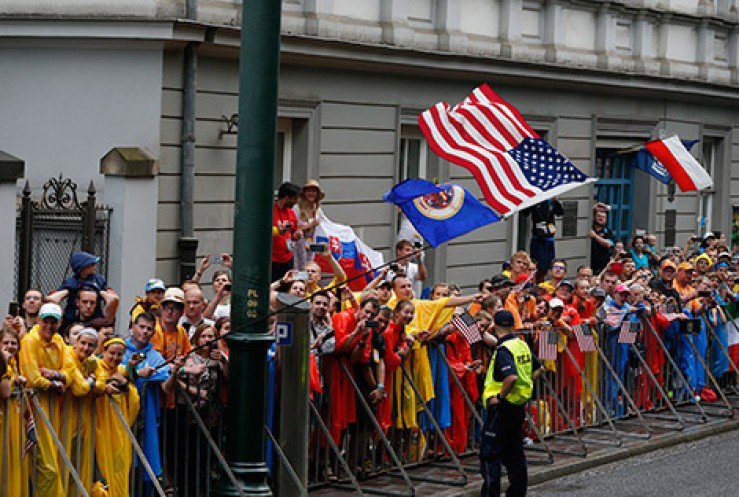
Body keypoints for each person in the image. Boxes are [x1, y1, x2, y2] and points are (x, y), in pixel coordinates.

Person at [480, 310, 542, 497]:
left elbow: (511, 376)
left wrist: (500, 396)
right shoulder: (520, 344)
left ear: (495, 326)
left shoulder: (504, 349)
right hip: (518, 406)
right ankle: (517, 492)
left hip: (502, 407)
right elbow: (539, 368)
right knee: (515, 454)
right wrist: (526, 383)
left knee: (490, 455)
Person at [19, 303, 72, 496]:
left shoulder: (58, 341)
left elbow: (71, 372)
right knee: (47, 469)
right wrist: (56, 384)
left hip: (54, 412)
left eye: (54, 322)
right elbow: (33, 378)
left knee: (55, 465)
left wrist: (54, 375)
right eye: (46, 321)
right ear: (39, 320)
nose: (49, 326)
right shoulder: (29, 341)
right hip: (34, 412)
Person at [93, 337, 140, 497]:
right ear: (104, 351)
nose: (114, 357)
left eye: (119, 354)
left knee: (119, 470)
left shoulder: (121, 371)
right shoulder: (96, 367)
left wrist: (126, 385)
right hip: (98, 428)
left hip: (118, 432)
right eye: (111, 353)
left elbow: (134, 399)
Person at [49, 251, 119, 330]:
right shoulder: (71, 282)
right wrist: (69, 290)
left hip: (94, 318)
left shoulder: (98, 280)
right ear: (82, 267)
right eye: (91, 264)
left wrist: (99, 291)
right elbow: (52, 299)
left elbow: (114, 298)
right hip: (72, 319)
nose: (95, 266)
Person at [522, 198, 563, 281]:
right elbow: (525, 212)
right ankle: (535, 281)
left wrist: (556, 201)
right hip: (537, 238)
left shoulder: (552, 201)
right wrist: (529, 201)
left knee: (547, 266)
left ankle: (542, 281)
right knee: (537, 266)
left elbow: (560, 212)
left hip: (549, 238)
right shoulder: (535, 200)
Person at [272, 181, 303, 278]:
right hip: (272, 259)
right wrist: (278, 231)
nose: (296, 202)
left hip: (288, 257)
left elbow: (293, 234)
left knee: (288, 286)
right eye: (294, 199)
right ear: (286, 198)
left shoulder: (291, 212)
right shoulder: (270, 210)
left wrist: (297, 235)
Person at [294, 179, 325, 270]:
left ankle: (307, 283)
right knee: (300, 271)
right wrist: (311, 225)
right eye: (309, 191)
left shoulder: (317, 209)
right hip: (298, 246)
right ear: (304, 193)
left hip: (312, 245)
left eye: (314, 191)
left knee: (310, 270)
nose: (311, 193)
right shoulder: (297, 208)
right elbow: (293, 229)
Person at [590, 204, 615, 274]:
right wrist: (595, 207)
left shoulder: (608, 231)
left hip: (603, 266)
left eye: (604, 217)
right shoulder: (590, 228)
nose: (601, 219)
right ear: (594, 217)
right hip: (590, 263)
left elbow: (608, 244)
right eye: (599, 216)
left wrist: (595, 236)